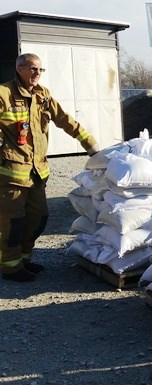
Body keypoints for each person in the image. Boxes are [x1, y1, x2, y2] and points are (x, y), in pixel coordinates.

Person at [0, 53, 100, 282]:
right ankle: (11, 267)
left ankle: (24, 259)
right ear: (20, 69)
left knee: (39, 218)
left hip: (36, 173)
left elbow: (65, 119)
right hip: (11, 175)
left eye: (40, 70)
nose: (37, 74)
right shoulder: (4, 93)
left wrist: (91, 145)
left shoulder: (42, 95)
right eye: (33, 69)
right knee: (13, 223)